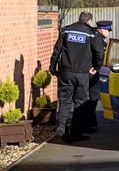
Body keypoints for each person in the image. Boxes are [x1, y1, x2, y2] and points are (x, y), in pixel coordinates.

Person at [49, 11, 102, 143]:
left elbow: (57, 50)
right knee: (80, 103)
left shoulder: (66, 30)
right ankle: (77, 133)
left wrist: (52, 66)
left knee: (65, 101)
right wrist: (96, 67)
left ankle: (63, 127)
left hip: (66, 72)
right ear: (89, 21)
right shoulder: (91, 33)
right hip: (82, 74)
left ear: (79, 19)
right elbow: (99, 53)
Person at [80, 20, 112, 132]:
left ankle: (90, 123)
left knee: (91, 98)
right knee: (91, 98)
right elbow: (98, 55)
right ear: (102, 30)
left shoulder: (98, 38)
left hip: (90, 71)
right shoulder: (97, 39)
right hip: (92, 72)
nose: (109, 32)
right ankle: (88, 124)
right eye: (108, 30)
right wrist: (97, 68)